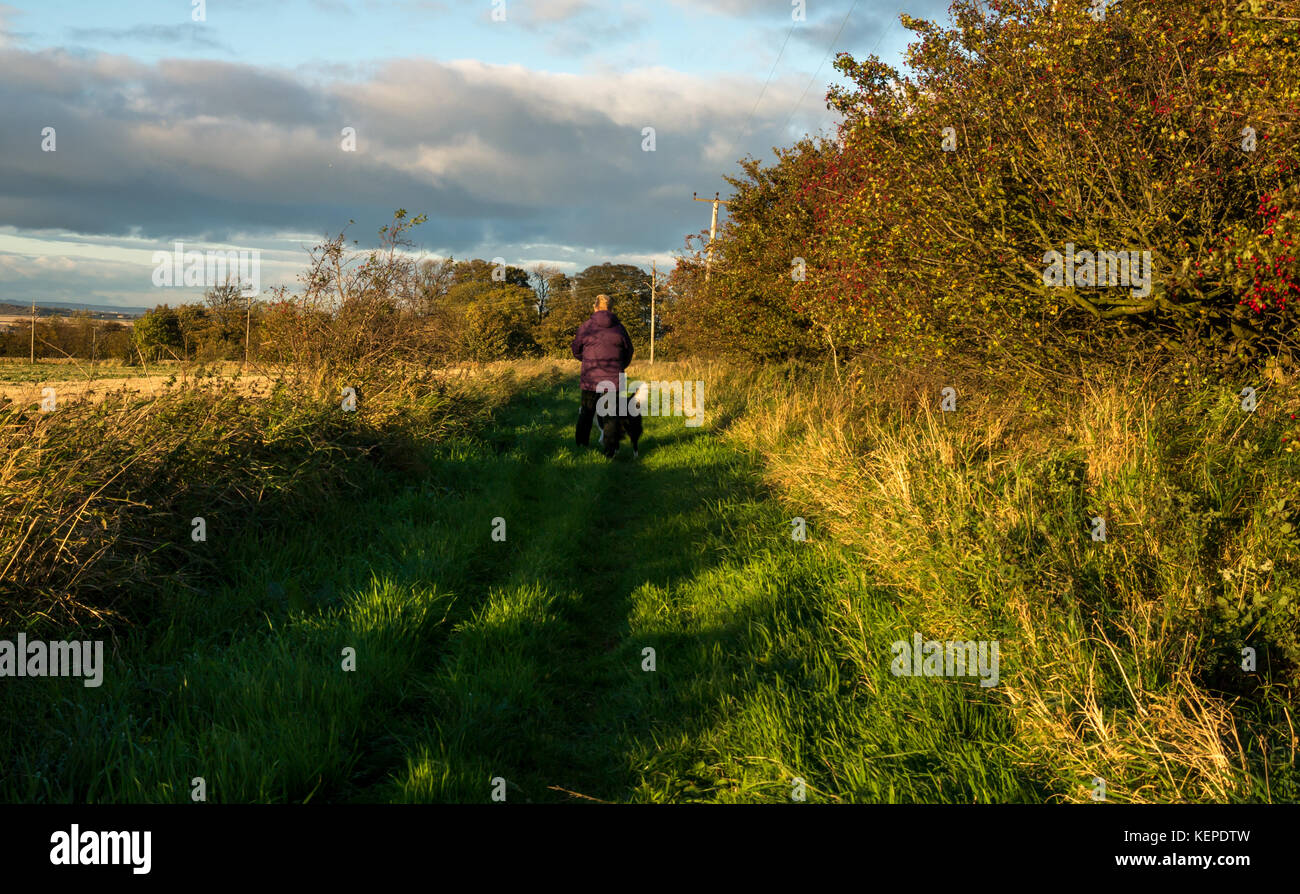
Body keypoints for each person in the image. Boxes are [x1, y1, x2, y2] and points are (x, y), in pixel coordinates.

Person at [571, 294, 633, 454]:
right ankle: (610, 450)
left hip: (590, 378)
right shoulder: (619, 328)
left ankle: (581, 446)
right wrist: (620, 366)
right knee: (611, 415)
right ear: (611, 308)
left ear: (595, 306)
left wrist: (586, 361)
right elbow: (628, 352)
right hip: (613, 379)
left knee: (586, 412)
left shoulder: (586, 327)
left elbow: (576, 350)